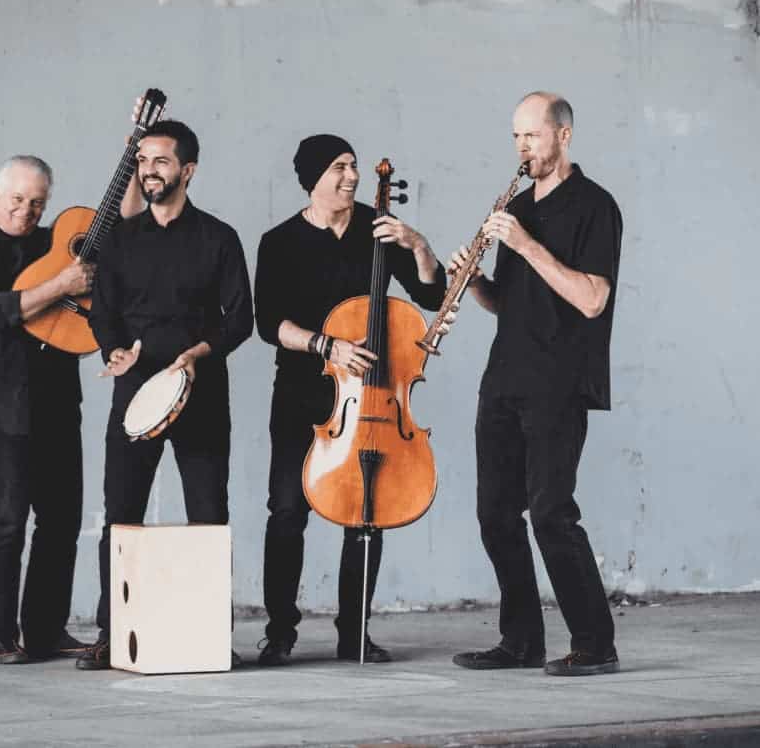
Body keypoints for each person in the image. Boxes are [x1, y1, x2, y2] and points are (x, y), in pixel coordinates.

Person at [254, 134, 454, 666]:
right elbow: (267, 323)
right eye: (339, 167)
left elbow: (433, 296)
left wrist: (416, 243)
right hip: (301, 397)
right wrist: (327, 345)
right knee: (287, 511)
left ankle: (354, 633)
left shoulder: (380, 231)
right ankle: (280, 631)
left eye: (354, 166)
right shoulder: (279, 242)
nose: (351, 176)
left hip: (372, 399)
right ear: (312, 177)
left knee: (368, 513)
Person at [450, 92, 623, 676]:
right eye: (516, 137)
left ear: (564, 135)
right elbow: (514, 302)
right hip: (504, 378)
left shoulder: (596, 207)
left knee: (551, 512)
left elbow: (592, 299)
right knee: (494, 514)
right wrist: (473, 285)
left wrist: (525, 245)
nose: (523, 148)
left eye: (533, 136)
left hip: (559, 381)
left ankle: (596, 644)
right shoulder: (518, 204)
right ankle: (521, 639)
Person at [76, 119, 253, 670]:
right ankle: (112, 633)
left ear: (187, 171)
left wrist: (200, 352)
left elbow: (242, 318)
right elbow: (102, 311)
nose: (148, 171)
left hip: (199, 390)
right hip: (134, 389)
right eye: (143, 161)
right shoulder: (121, 240)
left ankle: (210, 634)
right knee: (120, 516)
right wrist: (113, 351)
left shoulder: (219, 237)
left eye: (161, 161)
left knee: (209, 515)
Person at [0, 155, 94, 664]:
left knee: (61, 522)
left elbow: (109, 238)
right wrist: (60, 287)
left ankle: (46, 629)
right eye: (17, 199)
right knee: (8, 520)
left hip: (58, 403)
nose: (26, 211)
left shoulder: (53, 243)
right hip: (2, 406)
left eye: (37, 202)